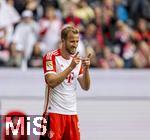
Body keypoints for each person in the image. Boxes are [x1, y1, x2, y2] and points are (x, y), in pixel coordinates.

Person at [41, 25, 91, 140]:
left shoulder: (77, 61)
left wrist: (87, 69)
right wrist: (70, 67)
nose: (75, 44)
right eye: (72, 41)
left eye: (77, 41)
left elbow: (85, 86)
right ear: (63, 41)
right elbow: (51, 82)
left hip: (72, 114)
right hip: (53, 113)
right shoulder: (51, 57)